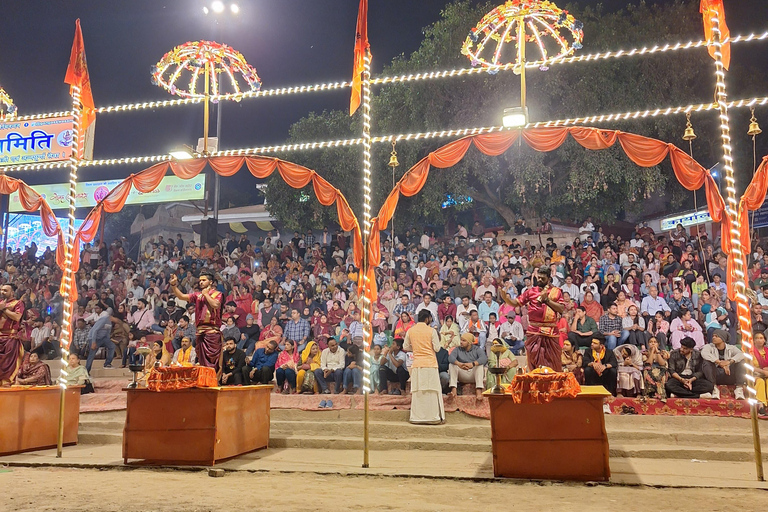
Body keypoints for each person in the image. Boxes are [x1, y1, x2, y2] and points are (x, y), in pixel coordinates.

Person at [498, 266, 565, 371]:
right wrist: (506, 298)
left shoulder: (556, 291)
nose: (539, 280)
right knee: (533, 358)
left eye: (542, 278)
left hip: (550, 331)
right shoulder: (531, 291)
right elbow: (516, 303)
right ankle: (535, 380)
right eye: (538, 277)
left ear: (549, 279)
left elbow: (561, 309)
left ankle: (552, 382)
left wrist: (547, 300)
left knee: (552, 360)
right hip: (534, 331)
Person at [169, 271, 223, 370]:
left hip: (212, 331)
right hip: (200, 331)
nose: (201, 282)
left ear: (210, 282)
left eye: (204, 280)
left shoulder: (217, 294)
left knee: (212, 359)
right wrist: (173, 285)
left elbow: (215, 305)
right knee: (201, 360)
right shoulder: (197, 295)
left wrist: (206, 295)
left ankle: (213, 379)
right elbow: (181, 296)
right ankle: (203, 380)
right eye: (200, 281)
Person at [403, 310, 445, 424]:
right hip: (430, 364)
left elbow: (405, 346)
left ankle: (417, 417)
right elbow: (437, 348)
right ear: (427, 319)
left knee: (418, 391)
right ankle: (433, 417)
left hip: (417, 364)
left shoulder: (411, 331)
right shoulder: (432, 331)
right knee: (431, 391)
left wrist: (416, 349)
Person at [701, 329, 746, 400]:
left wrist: (729, 362)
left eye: (716, 336)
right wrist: (719, 362)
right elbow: (704, 354)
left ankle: (739, 389)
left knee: (741, 362)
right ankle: (714, 388)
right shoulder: (709, 346)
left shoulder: (731, 348)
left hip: (728, 375)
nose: (713, 338)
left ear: (723, 339)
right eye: (713, 336)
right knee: (706, 363)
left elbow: (741, 355)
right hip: (715, 375)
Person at [448, 333, 488, 399]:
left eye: (464, 341)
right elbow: (450, 358)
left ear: (469, 343)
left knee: (479, 366)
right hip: (462, 374)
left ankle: (478, 390)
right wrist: (459, 364)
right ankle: (453, 390)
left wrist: (472, 364)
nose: (461, 342)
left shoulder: (477, 349)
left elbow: (484, 358)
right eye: (461, 340)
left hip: (473, 374)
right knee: (452, 365)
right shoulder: (457, 349)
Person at [0, 283, 25, 386]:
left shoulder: (18, 303)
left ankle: (6, 385)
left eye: (5, 290)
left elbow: (17, 317)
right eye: (1, 290)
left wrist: (4, 309)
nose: (2, 292)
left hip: (10, 339)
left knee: (8, 365)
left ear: (12, 292)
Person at [753, 331, 768, 406]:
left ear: (764, 340)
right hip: (754, 375)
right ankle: (761, 404)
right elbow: (749, 367)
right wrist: (762, 371)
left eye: (761, 338)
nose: (759, 340)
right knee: (760, 381)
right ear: (754, 341)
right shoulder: (750, 352)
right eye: (757, 338)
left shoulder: (767, 351)